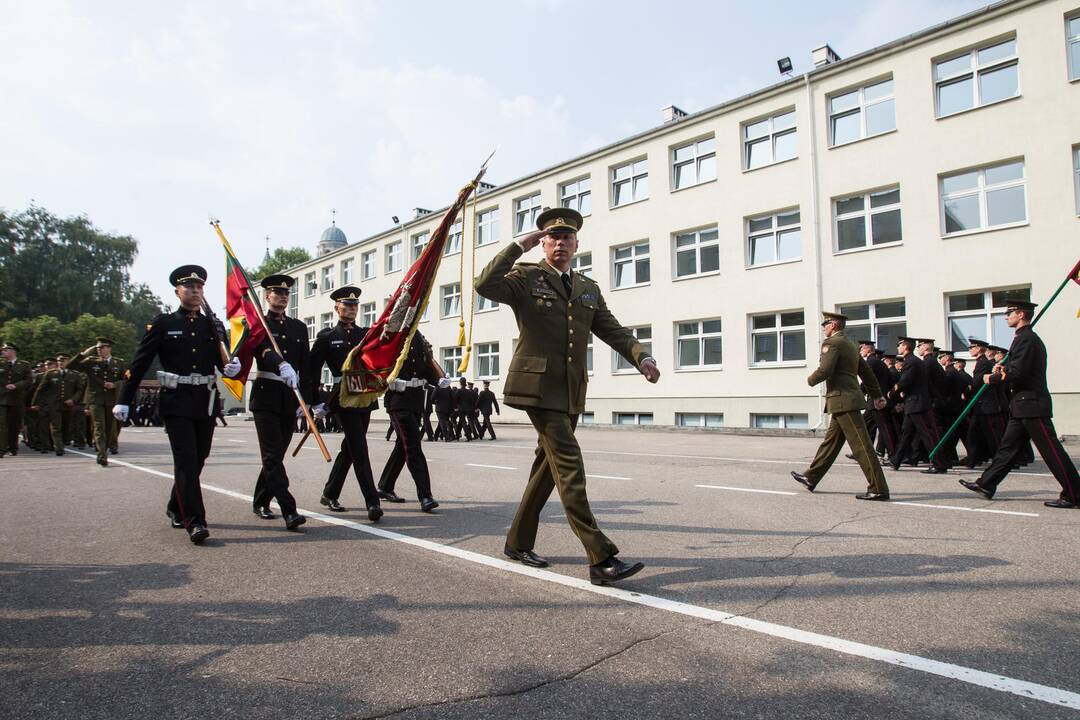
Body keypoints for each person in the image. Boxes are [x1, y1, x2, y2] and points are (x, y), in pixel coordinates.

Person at [475, 207, 660, 585]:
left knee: (547, 470)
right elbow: (484, 285)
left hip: (571, 390)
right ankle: (601, 557)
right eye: (552, 237)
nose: (560, 243)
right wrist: (516, 246)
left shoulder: (588, 287)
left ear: (577, 244)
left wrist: (642, 357)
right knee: (570, 466)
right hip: (537, 390)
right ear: (542, 242)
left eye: (567, 237)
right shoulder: (526, 276)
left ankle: (517, 542)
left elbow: (613, 330)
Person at [113, 265, 242, 544]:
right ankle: (194, 520)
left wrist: (231, 367)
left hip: (204, 402)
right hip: (176, 400)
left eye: (199, 288)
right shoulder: (164, 323)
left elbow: (223, 360)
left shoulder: (213, 325)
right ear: (177, 291)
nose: (195, 291)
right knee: (185, 460)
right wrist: (124, 399)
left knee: (198, 458)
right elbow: (140, 363)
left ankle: (176, 505)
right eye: (189, 287)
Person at [959, 299, 1080, 508]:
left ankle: (1074, 493)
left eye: (1010, 312)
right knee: (1007, 448)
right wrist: (1002, 369)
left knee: (1052, 451)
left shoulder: (1028, 339)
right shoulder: (1022, 339)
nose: (1006, 316)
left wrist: (993, 377)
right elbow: (1016, 368)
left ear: (1021, 314)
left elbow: (1019, 372)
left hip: (1031, 405)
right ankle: (986, 484)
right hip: (1021, 405)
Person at [792, 313, 890, 500]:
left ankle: (878, 488)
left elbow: (825, 370)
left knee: (862, 446)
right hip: (844, 400)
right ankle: (811, 477)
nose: (823, 327)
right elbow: (866, 372)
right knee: (830, 443)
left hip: (843, 400)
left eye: (826, 324)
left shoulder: (832, 344)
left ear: (834, 324)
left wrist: (810, 380)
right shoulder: (852, 346)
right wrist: (877, 394)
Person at [306, 285, 383, 521]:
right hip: (343, 397)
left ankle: (329, 493)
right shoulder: (327, 337)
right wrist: (314, 402)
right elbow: (311, 370)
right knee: (359, 448)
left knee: (350, 448)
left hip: (364, 396)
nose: (351, 309)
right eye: (346, 305)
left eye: (354, 305)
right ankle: (372, 501)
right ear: (336, 308)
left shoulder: (366, 335)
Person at [249, 274, 310, 531]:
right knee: (272, 455)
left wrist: (307, 400)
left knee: (276, 455)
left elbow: (305, 364)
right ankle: (289, 509)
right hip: (265, 395)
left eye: (286, 294)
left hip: (289, 397)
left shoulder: (298, 327)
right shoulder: (258, 323)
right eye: (277, 293)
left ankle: (261, 500)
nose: (282, 297)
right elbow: (261, 350)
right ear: (267, 296)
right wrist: (280, 363)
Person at [377, 330, 442, 510]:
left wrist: (438, 380)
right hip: (398, 400)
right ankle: (425, 495)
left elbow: (426, 367)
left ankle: (385, 486)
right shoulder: (391, 335)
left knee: (402, 445)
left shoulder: (419, 337)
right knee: (413, 445)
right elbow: (378, 364)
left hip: (415, 400)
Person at [889, 337, 949, 474]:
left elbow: (905, 381)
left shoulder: (911, 362)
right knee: (906, 434)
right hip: (914, 403)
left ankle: (939, 464)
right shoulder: (915, 361)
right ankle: (896, 460)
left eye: (899, 345)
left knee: (928, 435)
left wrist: (892, 393)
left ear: (905, 346)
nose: (898, 348)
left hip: (918, 404)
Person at [67, 337, 126, 467]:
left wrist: (115, 384)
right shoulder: (90, 362)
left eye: (102, 347)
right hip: (95, 399)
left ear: (109, 348)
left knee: (109, 428)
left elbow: (126, 380)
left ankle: (104, 450)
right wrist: (84, 353)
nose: (99, 350)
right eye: (98, 347)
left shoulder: (119, 363)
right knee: (99, 427)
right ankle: (102, 455)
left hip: (111, 400)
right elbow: (70, 366)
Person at [0, 342, 34, 458]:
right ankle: (2, 449)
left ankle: (13, 447)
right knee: (1, 424)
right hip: (1, 398)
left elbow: (29, 380)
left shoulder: (24, 365)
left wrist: (16, 385)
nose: (3, 352)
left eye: (5, 350)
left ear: (13, 351)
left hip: (16, 399)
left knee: (14, 425)